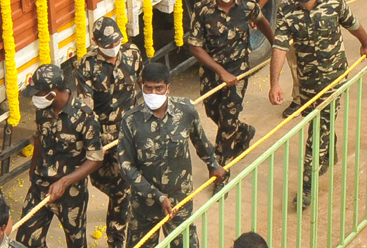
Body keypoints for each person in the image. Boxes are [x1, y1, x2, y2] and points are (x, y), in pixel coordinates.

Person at [268, 0, 367, 201]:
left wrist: (366, 43)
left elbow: (353, 24)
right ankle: (330, 147)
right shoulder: (286, 12)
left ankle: (307, 186)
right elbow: (280, 48)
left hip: (333, 79)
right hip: (307, 82)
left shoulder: (335, 3)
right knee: (317, 123)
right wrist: (274, 83)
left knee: (316, 132)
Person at [118, 62, 226, 248]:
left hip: (179, 200)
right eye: (148, 88)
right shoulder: (130, 120)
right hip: (144, 205)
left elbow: (200, 140)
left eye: (158, 88)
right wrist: (157, 196)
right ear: (141, 87)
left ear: (168, 87)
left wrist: (213, 164)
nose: (153, 93)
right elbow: (126, 166)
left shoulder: (185, 110)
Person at [187, 0, 275, 165]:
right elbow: (195, 46)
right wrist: (221, 72)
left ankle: (221, 168)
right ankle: (243, 131)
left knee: (227, 121)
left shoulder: (247, 5)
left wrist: (276, 47)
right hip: (212, 72)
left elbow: (262, 22)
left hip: (238, 72)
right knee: (212, 112)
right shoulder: (203, 10)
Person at [74, 18, 141, 248]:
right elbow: (87, 111)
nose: (113, 48)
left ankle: (117, 242)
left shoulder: (132, 54)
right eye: (107, 44)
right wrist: (96, 142)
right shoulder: (86, 66)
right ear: (95, 42)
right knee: (112, 187)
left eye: (116, 42)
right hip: (105, 140)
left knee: (124, 191)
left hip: (131, 136)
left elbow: (142, 86)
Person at [20, 64, 104, 248]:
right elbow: (40, 139)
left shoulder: (85, 117)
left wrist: (64, 182)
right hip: (40, 186)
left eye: (38, 93)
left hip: (70, 193)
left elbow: (96, 158)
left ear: (54, 91)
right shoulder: (43, 110)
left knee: (75, 242)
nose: (35, 98)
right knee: (26, 240)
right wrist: (33, 170)